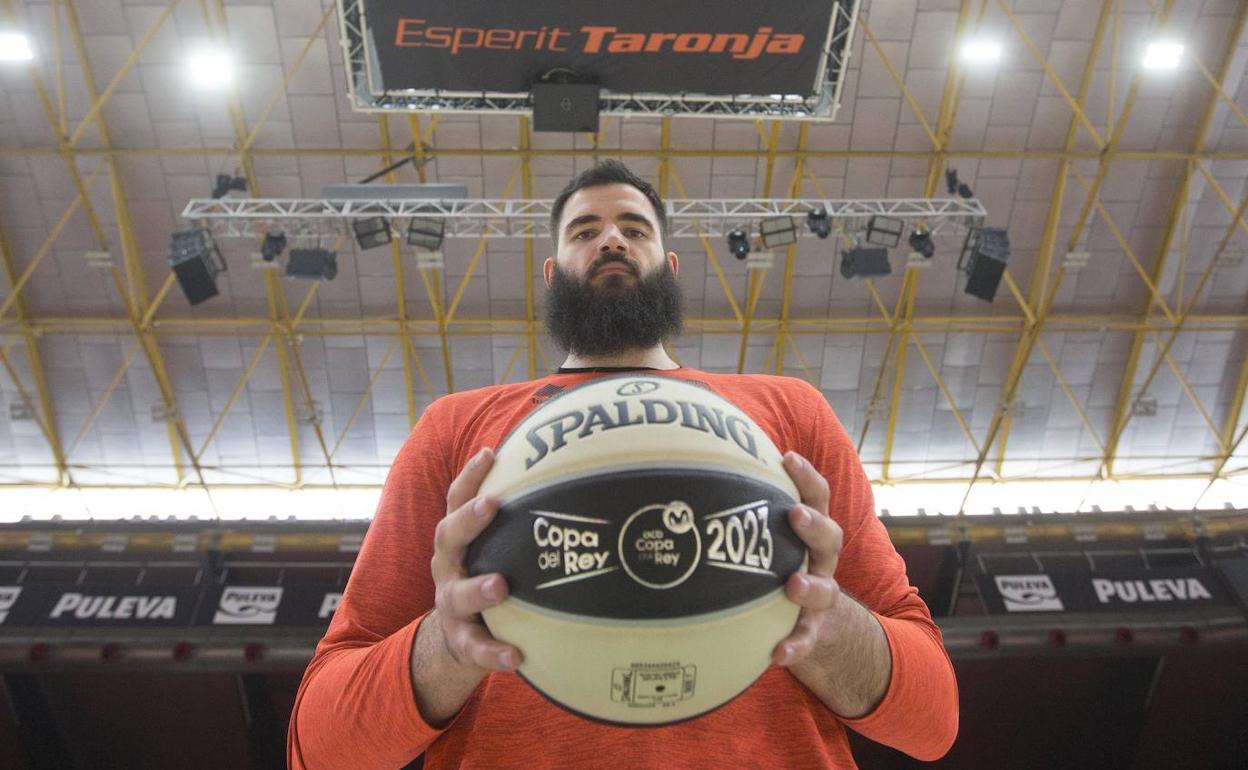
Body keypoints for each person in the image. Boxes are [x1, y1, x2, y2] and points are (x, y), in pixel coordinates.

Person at [288, 160, 959, 769]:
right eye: (584, 231)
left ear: (667, 265)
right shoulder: (458, 430)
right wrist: (449, 641)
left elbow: (933, 723)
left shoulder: (788, 413)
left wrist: (822, 616)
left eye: (633, 228)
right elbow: (318, 749)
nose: (611, 240)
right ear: (553, 275)